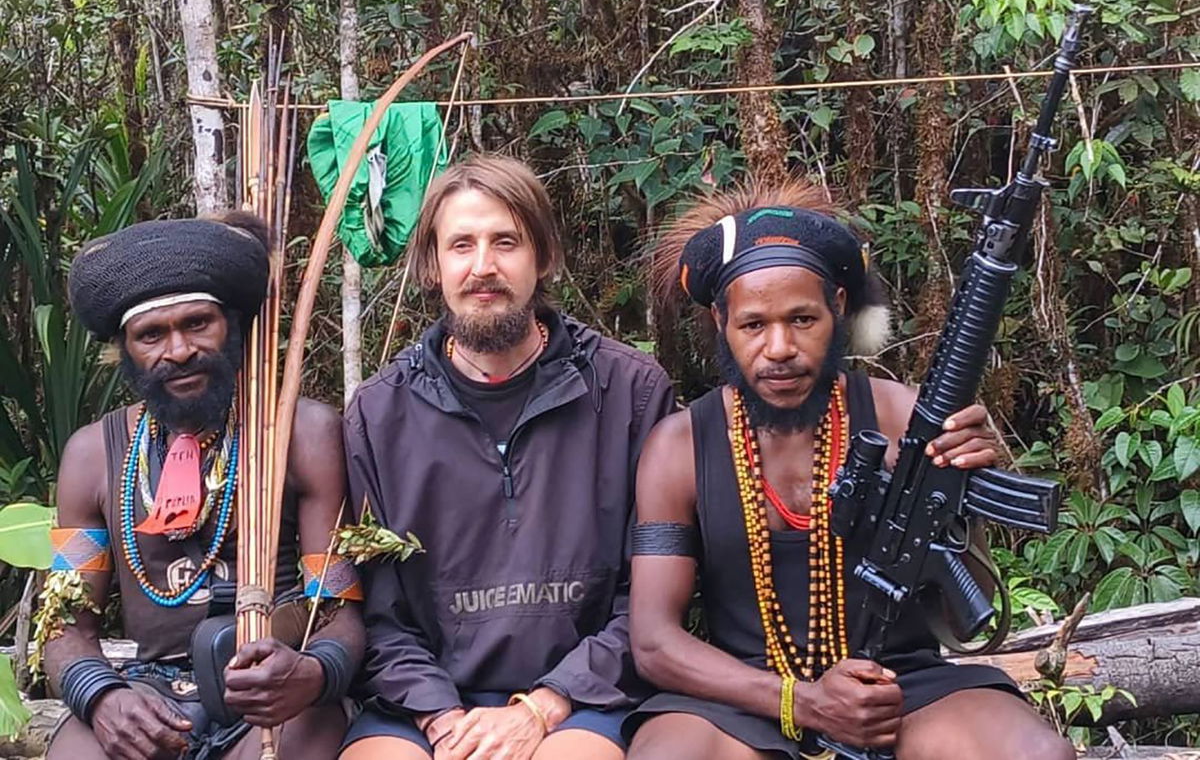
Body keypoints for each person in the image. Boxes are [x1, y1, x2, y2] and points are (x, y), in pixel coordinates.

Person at [624, 183, 1074, 760]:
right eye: (754, 325)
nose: (780, 347)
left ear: (837, 307)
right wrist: (802, 701)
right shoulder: (679, 448)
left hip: (903, 687)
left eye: (802, 319)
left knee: (1035, 755)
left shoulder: (903, 417)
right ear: (720, 322)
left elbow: (965, 621)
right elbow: (655, 643)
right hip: (744, 697)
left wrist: (957, 493)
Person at [339, 153, 675, 760]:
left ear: (542, 256)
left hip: (585, 699)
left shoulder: (630, 392)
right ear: (432, 266)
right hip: (422, 705)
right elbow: (378, 614)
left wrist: (544, 706)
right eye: (461, 245)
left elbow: (647, 599)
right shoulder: (377, 414)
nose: (483, 267)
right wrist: (443, 719)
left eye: (506, 242)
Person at [44, 213, 364, 760]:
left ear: (233, 325)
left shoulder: (301, 434)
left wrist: (311, 674)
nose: (178, 350)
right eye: (151, 335)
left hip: (275, 695)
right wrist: (102, 699)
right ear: (126, 349)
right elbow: (64, 626)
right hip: (146, 692)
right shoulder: (92, 456)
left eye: (198, 324)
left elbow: (339, 611)